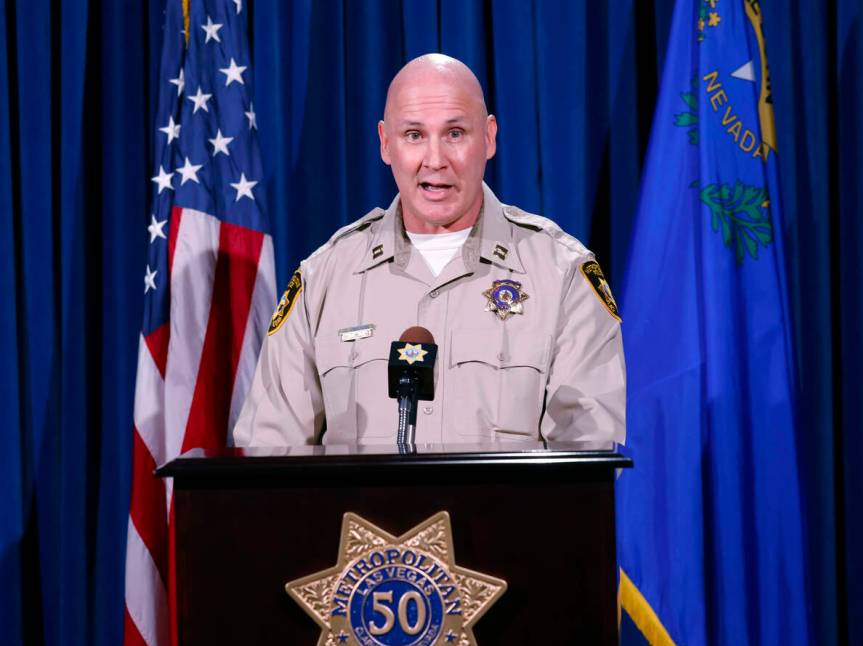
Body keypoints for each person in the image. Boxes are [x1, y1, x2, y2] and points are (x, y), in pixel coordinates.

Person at [233, 54, 625, 447]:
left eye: (455, 133)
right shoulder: (323, 279)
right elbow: (270, 453)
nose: (435, 161)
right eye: (414, 135)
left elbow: (588, 460)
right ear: (386, 144)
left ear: (489, 138)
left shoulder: (562, 274)